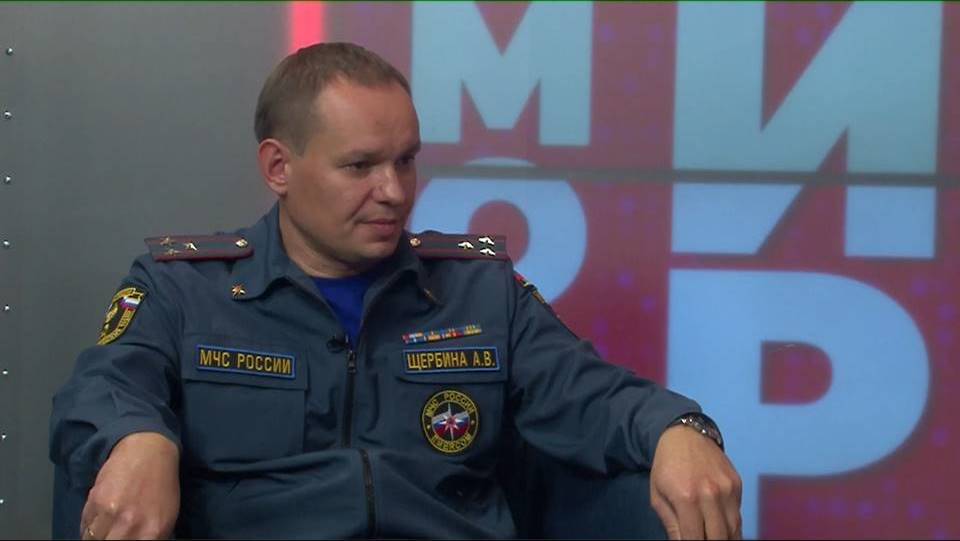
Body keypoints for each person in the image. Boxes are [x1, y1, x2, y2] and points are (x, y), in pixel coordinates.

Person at [49, 42, 741, 540]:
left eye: (405, 161)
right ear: (279, 167)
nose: (394, 191)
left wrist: (679, 430)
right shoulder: (183, 288)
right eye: (361, 166)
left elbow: (589, 392)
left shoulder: (477, 291)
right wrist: (137, 438)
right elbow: (102, 388)